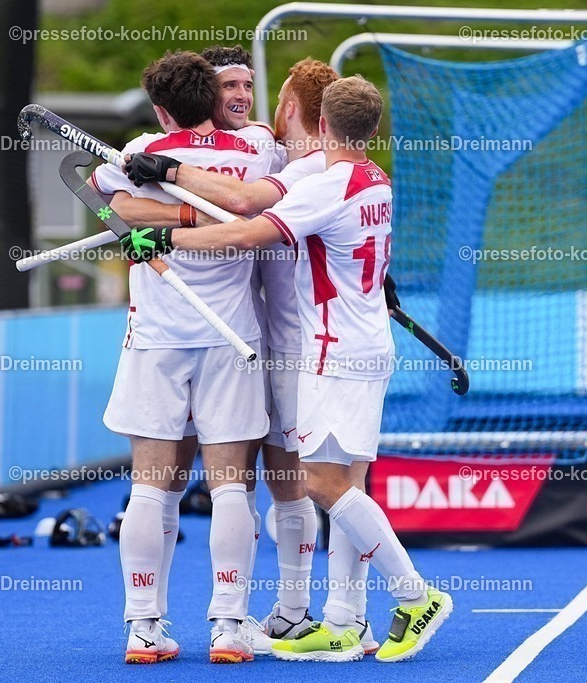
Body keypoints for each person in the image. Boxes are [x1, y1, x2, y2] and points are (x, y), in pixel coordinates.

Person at [121, 75, 453, 663]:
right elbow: (252, 199)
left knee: (321, 484)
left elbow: (248, 222)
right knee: (346, 483)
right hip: (364, 346)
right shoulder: (372, 176)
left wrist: (164, 232)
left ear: (321, 124)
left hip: (329, 350)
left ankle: (414, 594)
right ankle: (346, 621)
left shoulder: (325, 184)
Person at [94, 50, 277, 664]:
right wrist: (196, 209)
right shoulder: (256, 151)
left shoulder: (138, 151)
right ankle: (228, 625)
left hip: (157, 339)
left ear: (160, 109)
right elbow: (250, 196)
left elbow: (111, 204)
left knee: (151, 487)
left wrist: (167, 210)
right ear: (215, 96)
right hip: (233, 340)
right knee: (232, 487)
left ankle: (143, 627)